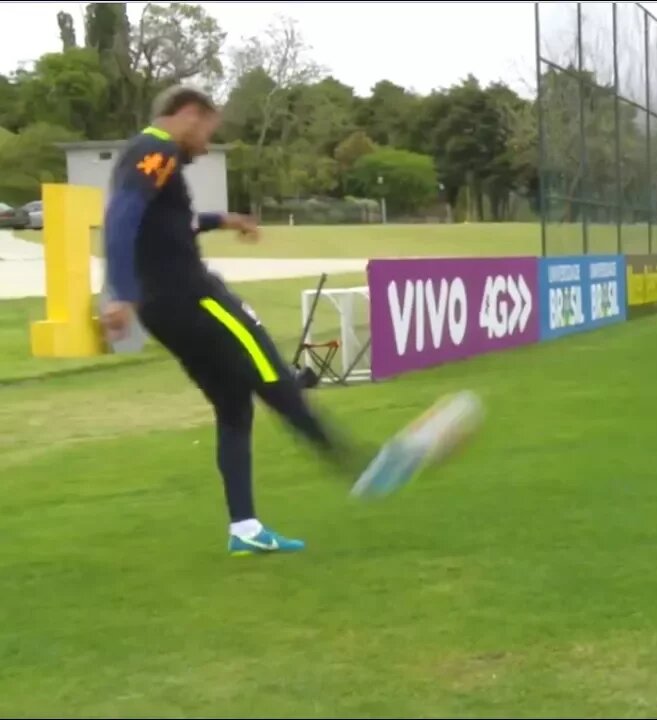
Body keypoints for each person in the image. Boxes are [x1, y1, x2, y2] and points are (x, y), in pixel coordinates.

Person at [101, 87, 419, 557]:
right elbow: (122, 217)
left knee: (234, 404)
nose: (207, 144)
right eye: (208, 131)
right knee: (272, 373)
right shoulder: (157, 150)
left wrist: (224, 220)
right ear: (189, 115)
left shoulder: (148, 158)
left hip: (163, 309)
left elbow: (168, 223)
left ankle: (245, 528)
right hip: (192, 298)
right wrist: (118, 292)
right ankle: (362, 464)